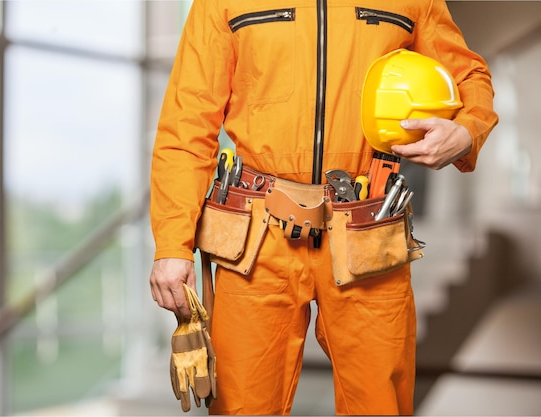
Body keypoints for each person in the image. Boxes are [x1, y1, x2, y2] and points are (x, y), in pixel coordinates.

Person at [149, 0, 498, 415]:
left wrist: (466, 131)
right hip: (257, 243)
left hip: (367, 231)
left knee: (381, 406)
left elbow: (468, 75)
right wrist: (173, 243)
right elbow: (186, 126)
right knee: (241, 407)